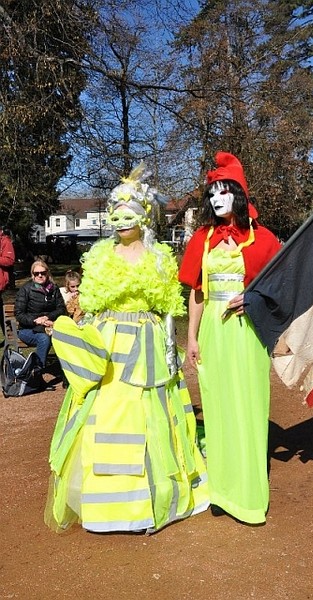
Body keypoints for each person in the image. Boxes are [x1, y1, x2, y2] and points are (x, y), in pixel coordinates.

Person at [45, 163, 209, 534]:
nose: (119, 221)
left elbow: (169, 306)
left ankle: (149, 502)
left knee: (150, 414)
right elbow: (89, 303)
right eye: (114, 215)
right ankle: (109, 506)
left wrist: (171, 347)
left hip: (148, 341)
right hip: (109, 343)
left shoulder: (159, 257)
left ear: (143, 217)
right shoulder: (101, 255)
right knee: (108, 413)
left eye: (127, 215)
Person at [179, 151, 281, 525]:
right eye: (211, 193)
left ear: (239, 194)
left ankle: (249, 493)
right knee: (218, 405)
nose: (216, 199)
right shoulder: (202, 239)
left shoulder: (263, 238)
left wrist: (252, 299)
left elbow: (280, 288)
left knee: (249, 405)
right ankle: (221, 490)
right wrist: (191, 337)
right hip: (213, 333)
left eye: (224, 192)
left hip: (247, 332)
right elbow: (197, 292)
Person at [14, 260, 65, 368]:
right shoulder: (25, 290)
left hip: (51, 326)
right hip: (28, 329)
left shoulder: (54, 288)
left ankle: (68, 375)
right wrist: (36, 320)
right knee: (43, 339)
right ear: (32, 275)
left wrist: (47, 317)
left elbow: (61, 309)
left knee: (69, 336)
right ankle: (37, 372)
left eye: (43, 273)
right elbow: (19, 314)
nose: (40, 275)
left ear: (47, 273)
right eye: (36, 273)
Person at [0, 226, 15, 337]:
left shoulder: (5, 241)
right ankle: (9, 336)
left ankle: (9, 336)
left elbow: (9, 260)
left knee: (1, 314)